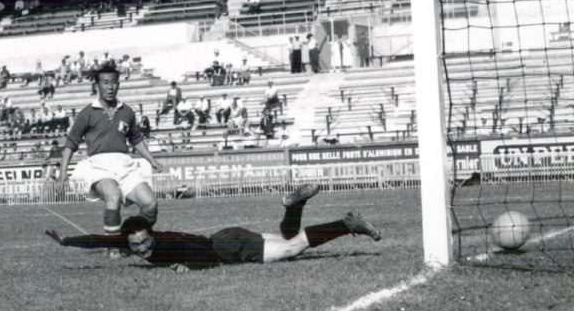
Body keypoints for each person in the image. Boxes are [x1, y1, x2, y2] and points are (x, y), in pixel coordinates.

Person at [45, 185, 381, 271]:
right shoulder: (135, 238)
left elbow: (202, 257)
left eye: (145, 243)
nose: (142, 250)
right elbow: (97, 239)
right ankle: (294, 206)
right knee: (289, 238)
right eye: (136, 247)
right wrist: (68, 242)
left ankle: (346, 223)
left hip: (225, 248)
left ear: (151, 235)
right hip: (225, 235)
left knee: (292, 249)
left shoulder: (165, 247)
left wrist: (187, 267)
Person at [57, 61, 165, 242]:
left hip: (124, 164)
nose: (110, 87)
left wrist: (152, 161)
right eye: (105, 82)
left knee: (150, 204)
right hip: (99, 166)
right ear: (97, 86)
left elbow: (136, 139)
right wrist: (62, 175)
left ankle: (132, 239)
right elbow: (70, 143)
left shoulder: (127, 111)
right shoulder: (87, 113)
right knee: (113, 196)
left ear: (118, 84)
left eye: (114, 82)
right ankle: (113, 247)